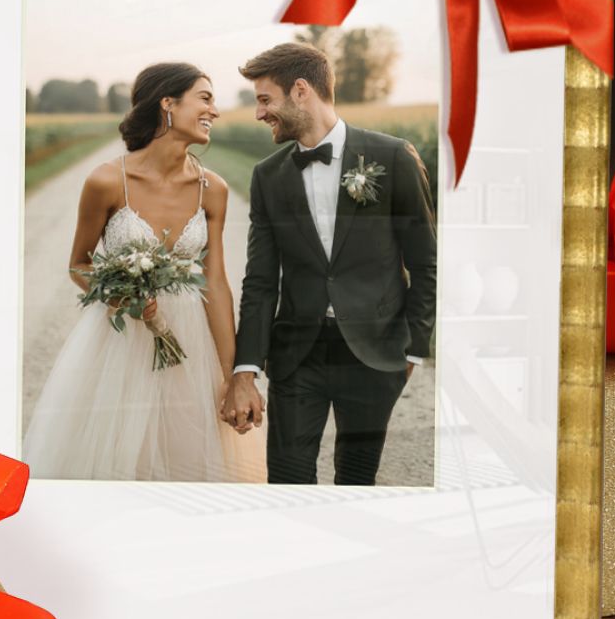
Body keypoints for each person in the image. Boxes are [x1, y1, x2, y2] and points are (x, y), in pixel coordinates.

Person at [24, 62, 266, 482]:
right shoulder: (106, 181)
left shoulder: (213, 189)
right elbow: (79, 263)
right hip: (118, 343)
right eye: (205, 98)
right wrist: (118, 295)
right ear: (168, 103)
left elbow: (215, 284)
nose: (214, 110)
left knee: (188, 461)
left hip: (191, 346)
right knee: (116, 461)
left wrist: (230, 378)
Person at [224, 42, 437, 484]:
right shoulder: (267, 177)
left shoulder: (392, 157)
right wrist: (246, 369)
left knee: (357, 482)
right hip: (297, 354)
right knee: (287, 481)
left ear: (300, 91)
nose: (259, 113)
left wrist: (413, 347)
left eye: (265, 100)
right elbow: (260, 280)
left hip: (374, 353)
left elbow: (425, 261)